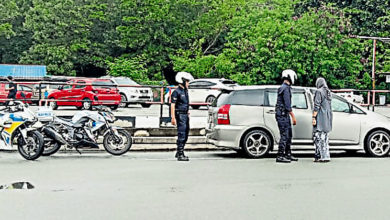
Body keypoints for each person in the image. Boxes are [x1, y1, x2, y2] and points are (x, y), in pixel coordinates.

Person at [275, 69, 298, 163]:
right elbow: (287, 105)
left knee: (289, 135)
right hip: (283, 114)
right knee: (284, 135)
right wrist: (293, 117)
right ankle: (280, 155)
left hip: (283, 114)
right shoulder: (285, 89)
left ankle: (288, 154)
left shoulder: (283, 87)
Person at [171, 72, 194, 161]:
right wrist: (173, 117)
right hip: (180, 114)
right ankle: (180, 153)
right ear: (182, 81)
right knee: (182, 134)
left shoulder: (185, 91)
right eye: (187, 81)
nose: (188, 83)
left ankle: (179, 151)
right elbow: (172, 105)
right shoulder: (176, 92)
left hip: (185, 114)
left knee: (186, 133)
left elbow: (185, 103)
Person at [312, 77, 333, 162]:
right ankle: (325, 155)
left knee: (318, 137)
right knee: (325, 138)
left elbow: (316, 106)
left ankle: (320, 156)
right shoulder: (328, 92)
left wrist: (313, 117)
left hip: (320, 117)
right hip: (327, 117)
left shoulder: (319, 91)